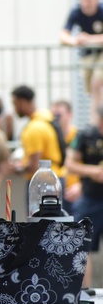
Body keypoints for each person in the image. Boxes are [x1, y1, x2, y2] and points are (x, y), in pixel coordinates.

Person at [10, 85, 67, 211]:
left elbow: (34, 165)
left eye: (15, 104)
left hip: (42, 185)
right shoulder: (46, 119)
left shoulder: (34, 129)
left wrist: (17, 168)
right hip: (56, 180)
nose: (14, 109)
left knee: (38, 226)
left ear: (22, 102)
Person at [65, 106, 103, 286]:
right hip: (90, 199)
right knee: (81, 247)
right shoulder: (85, 135)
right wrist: (92, 171)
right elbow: (70, 164)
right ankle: (83, 295)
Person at [60, 0, 103, 118]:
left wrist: (89, 39)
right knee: (92, 90)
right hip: (87, 55)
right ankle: (95, 122)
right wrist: (75, 41)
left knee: (98, 82)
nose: (85, 2)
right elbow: (63, 35)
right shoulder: (76, 12)